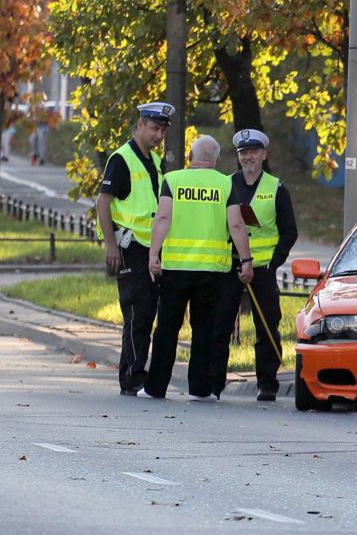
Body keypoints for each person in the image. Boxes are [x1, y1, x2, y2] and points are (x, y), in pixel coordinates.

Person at [140, 136, 253, 401]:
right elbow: (236, 225)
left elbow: (163, 217)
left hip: (176, 267)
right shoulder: (226, 184)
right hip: (212, 271)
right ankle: (201, 389)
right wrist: (246, 261)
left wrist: (153, 253)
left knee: (167, 328)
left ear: (191, 155)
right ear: (215, 158)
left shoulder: (174, 180)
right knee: (204, 330)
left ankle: (156, 387)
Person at [207, 129, 298, 401]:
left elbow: (289, 231)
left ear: (263, 155)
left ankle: (267, 383)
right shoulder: (226, 184)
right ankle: (214, 383)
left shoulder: (276, 188)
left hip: (262, 268)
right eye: (243, 153)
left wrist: (273, 263)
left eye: (253, 152)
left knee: (268, 325)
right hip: (230, 265)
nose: (248, 157)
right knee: (220, 324)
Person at [94, 102, 170, 396]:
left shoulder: (153, 160)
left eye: (162, 130)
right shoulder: (122, 159)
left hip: (151, 248)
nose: (158, 135)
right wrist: (110, 245)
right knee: (138, 315)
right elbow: (103, 202)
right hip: (131, 247)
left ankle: (135, 373)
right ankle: (132, 377)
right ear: (140, 124)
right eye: (154, 128)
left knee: (146, 313)